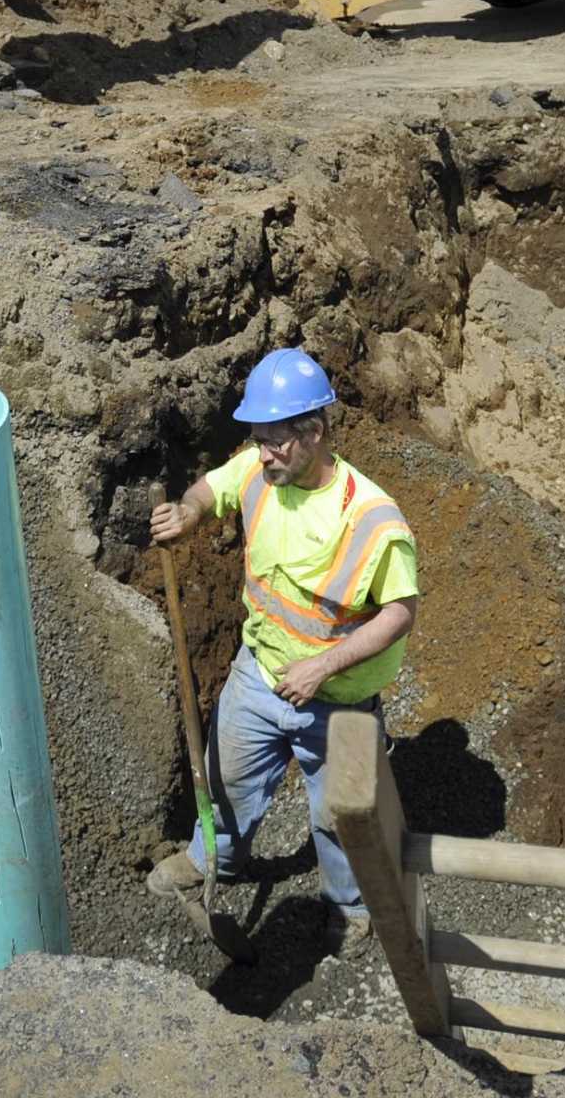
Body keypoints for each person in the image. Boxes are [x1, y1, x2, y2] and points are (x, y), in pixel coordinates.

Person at [146, 346, 419, 944]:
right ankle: (210, 861)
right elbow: (210, 490)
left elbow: (400, 613)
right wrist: (189, 513)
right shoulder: (258, 472)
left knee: (341, 816)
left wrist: (323, 666)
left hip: (341, 698)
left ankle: (347, 909)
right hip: (259, 673)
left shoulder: (373, 518)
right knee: (228, 778)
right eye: (257, 439)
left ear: (315, 432)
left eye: (274, 441)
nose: (261, 453)